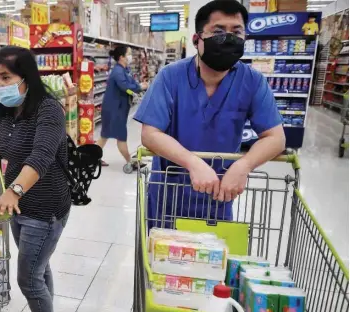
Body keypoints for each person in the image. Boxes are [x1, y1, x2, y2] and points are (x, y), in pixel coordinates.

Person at [134, 0, 285, 229]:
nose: (228, 38)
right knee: (162, 260)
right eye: (218, 31)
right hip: (170, 192)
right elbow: (150, 134)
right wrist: (192, 163)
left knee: (213, 260)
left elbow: (276, 137)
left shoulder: (252, 82)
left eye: (237, 32)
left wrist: (244, 166)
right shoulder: (170, 77)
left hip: (219, 193)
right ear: (197, 40)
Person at [0, 46, 70, 312]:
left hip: (45, 207)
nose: (0, 84)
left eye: (6, 77)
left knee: (28, 277)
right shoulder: (8, 109)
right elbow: (6, 140)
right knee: (39, 268)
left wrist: (14, 190)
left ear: (27, 78)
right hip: (19, 205)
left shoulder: (49, 110)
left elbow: (42, 155)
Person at [98, 45, 146, 172]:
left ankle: (92, 159)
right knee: (121, 136)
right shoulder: (118, 72)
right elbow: (125, 86)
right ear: (122, 57)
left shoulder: (124, 70)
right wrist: (140, 87)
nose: (131, 56)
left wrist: (138, 86)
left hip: (115, 108)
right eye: (129, 54)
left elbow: (132, 82)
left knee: (105, 135)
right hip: (114, 110)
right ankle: (130, 162)